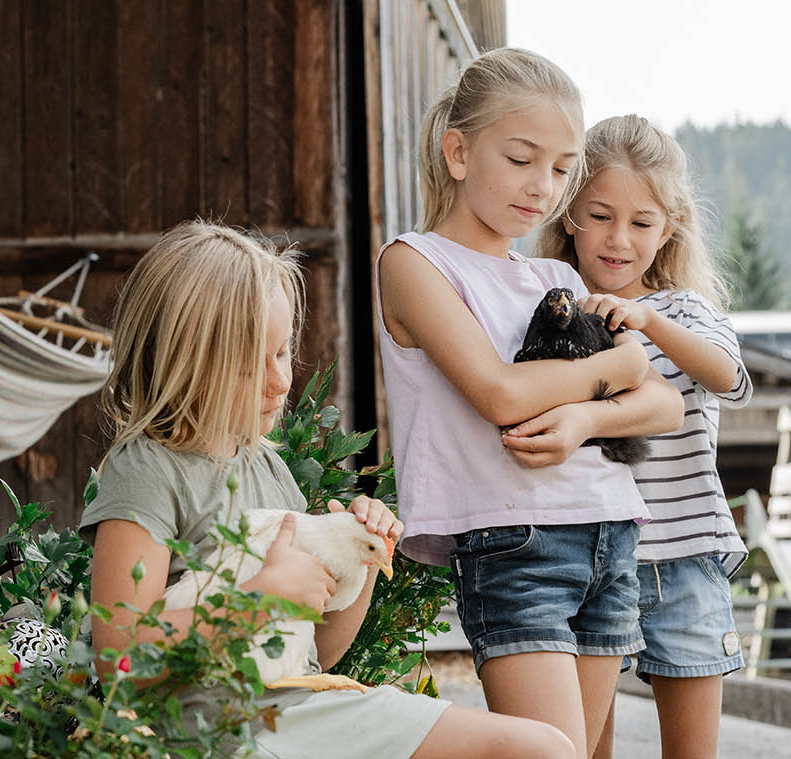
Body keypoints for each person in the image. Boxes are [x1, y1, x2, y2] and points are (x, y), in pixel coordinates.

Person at [82, 220, 579, 758]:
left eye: (280, 353)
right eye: (250, 366)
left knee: (546, 746)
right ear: (186, 363)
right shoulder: (150, 469)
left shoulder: (265, 468)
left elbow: (318, 649)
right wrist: (257, 600)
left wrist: (360, 560)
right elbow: (120, 658)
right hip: (224, 730)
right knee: (534, 751)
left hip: (297, 706)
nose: (280, 381)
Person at [375, 48, 686, 757]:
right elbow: (499, 391)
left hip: (610, 529)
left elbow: (662, 402)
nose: (543, 187)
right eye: (521, 159)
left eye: (560, 167)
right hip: (515, 545)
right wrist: (619, 364)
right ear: (458, 151)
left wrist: (587, 412)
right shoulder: (414, 262)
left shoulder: (551, 272)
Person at [538, 114, 753, 759]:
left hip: (683, 563)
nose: (619, 240)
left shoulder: (685, 311)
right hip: (589, 562)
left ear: (669, 229)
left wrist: (647, 323)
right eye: (600, 215)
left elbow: (729, 378)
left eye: (641, 223)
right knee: (584, 749)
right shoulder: (549, 308)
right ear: (569, 214)